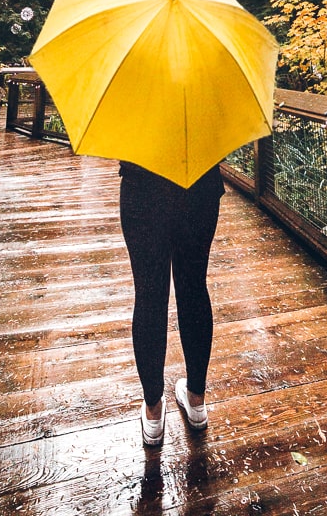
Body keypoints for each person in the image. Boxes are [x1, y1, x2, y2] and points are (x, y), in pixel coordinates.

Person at [119, 158, 225, 446]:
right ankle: (196, 401)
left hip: (142, 189)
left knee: (149, 295)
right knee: (194, 288)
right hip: (200, 189)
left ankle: (153, 413)